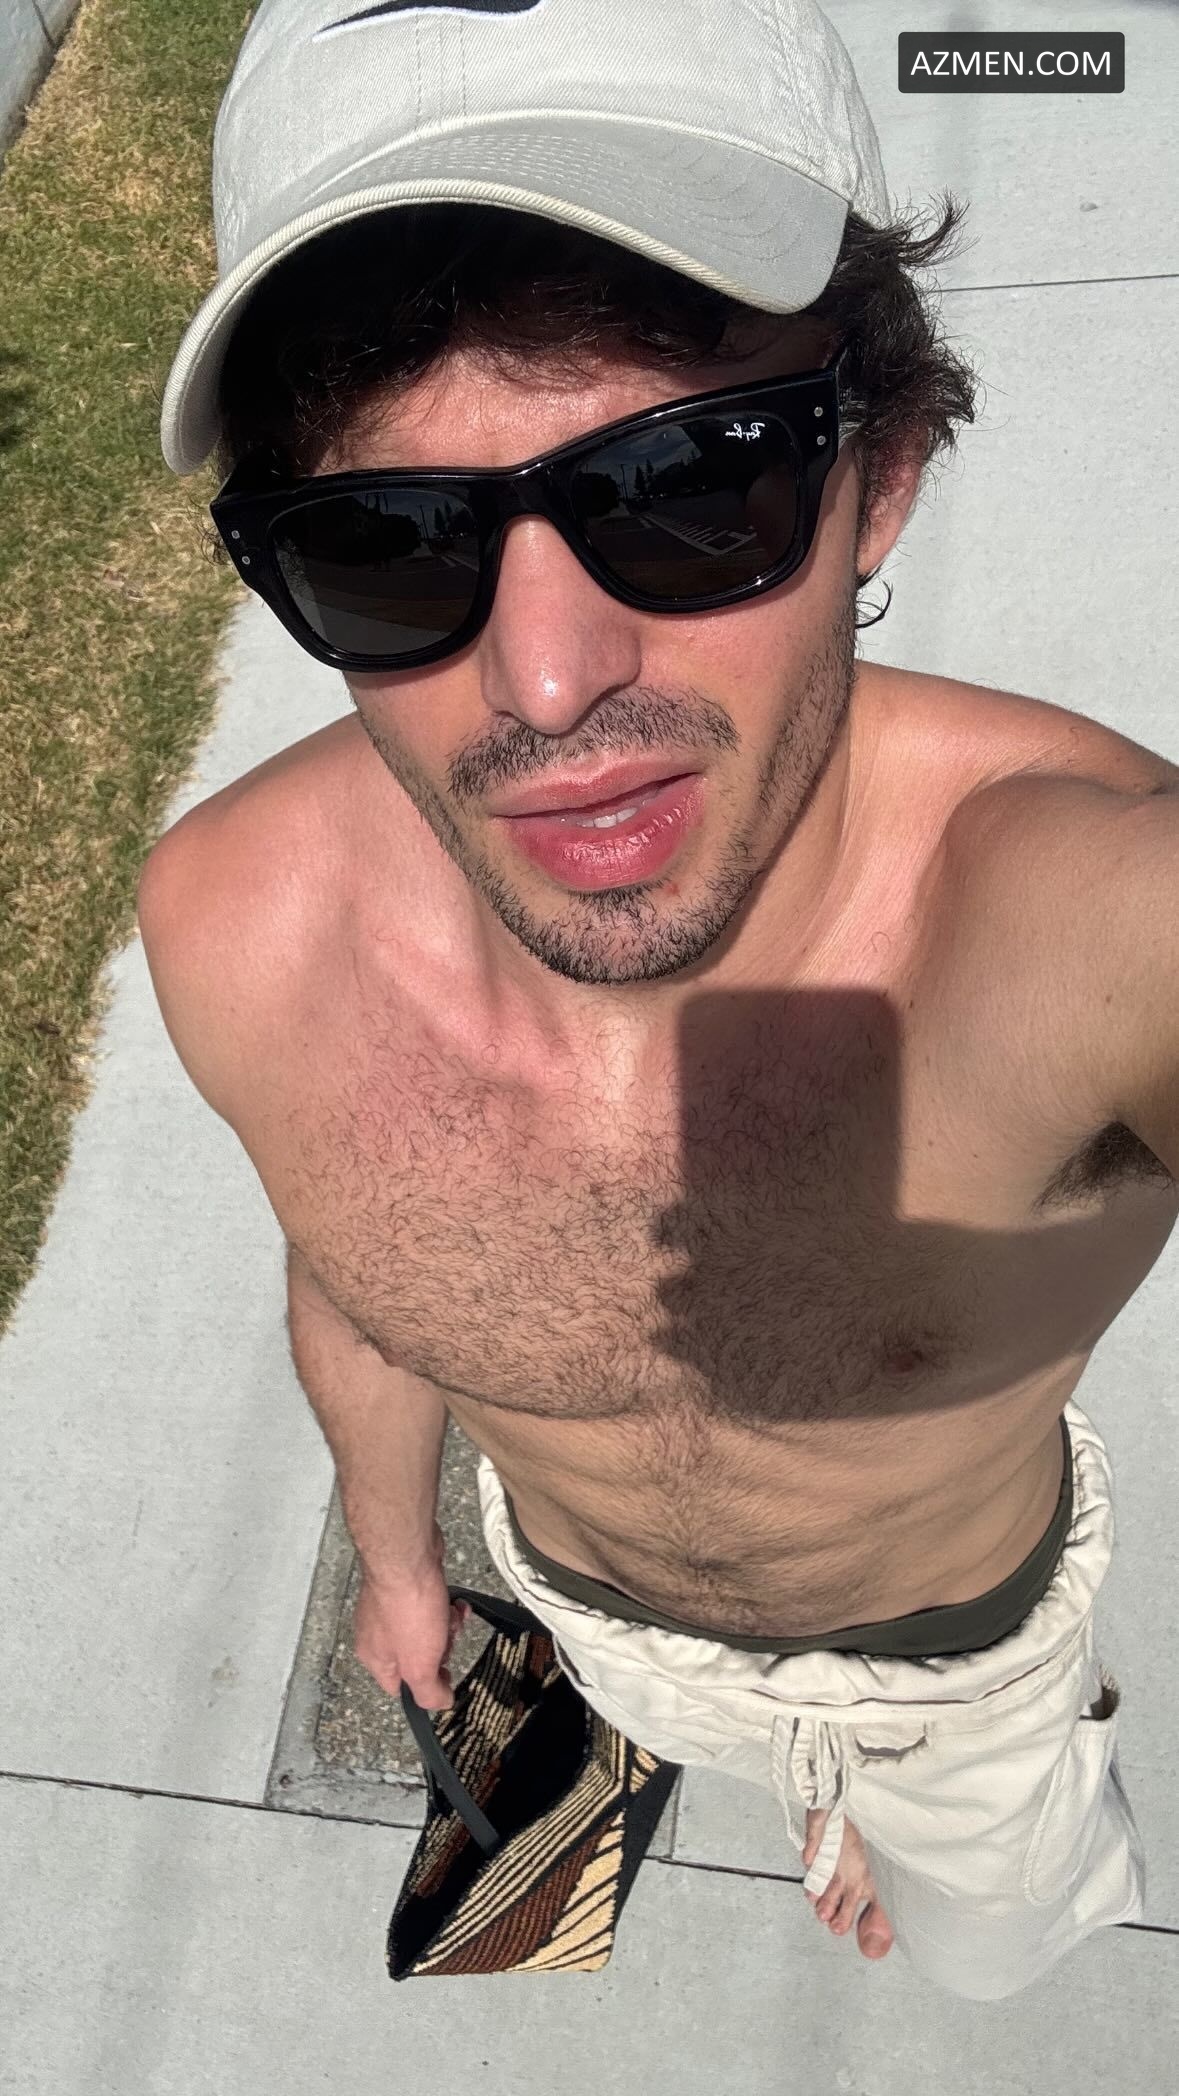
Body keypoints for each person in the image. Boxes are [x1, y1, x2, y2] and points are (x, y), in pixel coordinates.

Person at [142, 0, 1177, 1999]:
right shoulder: (234, 931)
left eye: (689, 483)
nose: (547, 681)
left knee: (986, 1954)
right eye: (382, 546)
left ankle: (908, 1824)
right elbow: (354, 1270)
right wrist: (399, 1558)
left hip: (947, 1675)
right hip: (589, 1615)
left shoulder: (1075, 917)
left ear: (879, 475)